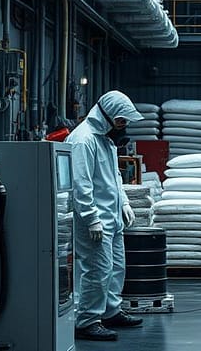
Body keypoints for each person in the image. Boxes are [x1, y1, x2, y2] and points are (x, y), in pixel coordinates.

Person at [67, 91, 145, 341]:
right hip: (95, 221)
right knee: (97, 270)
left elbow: (115, 177)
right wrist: (91, 218)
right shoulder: (83, 140)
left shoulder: (106, 140)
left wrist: (123, 202)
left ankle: (110, 311)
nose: (124, 127)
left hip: (112, 217)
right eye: (122, 121)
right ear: (108, 117)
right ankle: (87, 320)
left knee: (115, 267)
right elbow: (81, 184)